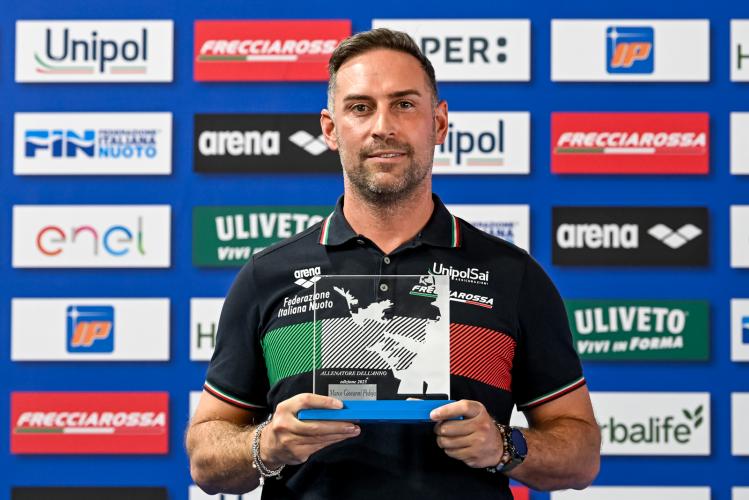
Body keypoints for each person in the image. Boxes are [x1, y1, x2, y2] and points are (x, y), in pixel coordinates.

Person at [186, 28, 600, 499]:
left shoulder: (512, 275)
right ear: (330, 129)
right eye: (360, 107)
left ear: (438, 123)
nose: (383, 126)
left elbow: (581, 456)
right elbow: (206, 460)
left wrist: (505, 445)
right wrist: (266, 444)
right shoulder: (268, 276)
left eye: (404, 104)